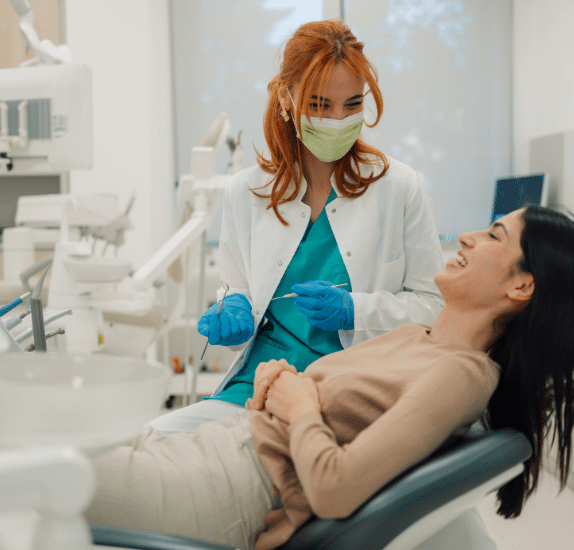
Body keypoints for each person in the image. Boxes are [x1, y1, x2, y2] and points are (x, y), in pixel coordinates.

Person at [86, 205, 574, 550]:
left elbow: (337, 489)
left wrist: (298, 404)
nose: (469, 236)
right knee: (41, 440)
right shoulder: (416, 337)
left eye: (494, 234)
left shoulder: (462, 376)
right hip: (209, 451)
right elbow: (319, 413)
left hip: (222, 487)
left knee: (25, 473)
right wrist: (284, 384)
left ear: (522, 286)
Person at [151, 19, 445, 434]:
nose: (338, 120)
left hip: (349, 390)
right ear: (287, 98)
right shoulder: (246, 191)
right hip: (259, 386)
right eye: (320, 105)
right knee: (159, 440)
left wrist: (353, 310)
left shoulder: (399, 188)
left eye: (353, 104)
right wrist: (233, 309)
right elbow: (240, 293)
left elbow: (434, 308)